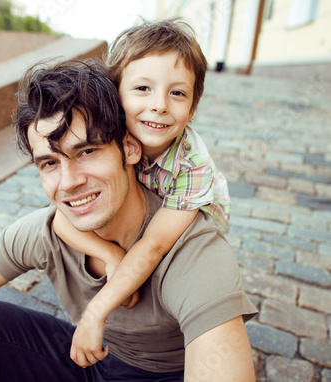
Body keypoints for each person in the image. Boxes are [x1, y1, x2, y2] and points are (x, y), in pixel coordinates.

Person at [0, 58, 257, 381]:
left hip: (160, 375)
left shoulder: (194, 251)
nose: (69, 182)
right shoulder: (48, 230)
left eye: (87, 151)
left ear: (128, 147)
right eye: (50, 162)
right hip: (90, 362)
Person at [53, 19, 233, 363]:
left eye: (177, 93)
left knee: (162, 267)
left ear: (192, 108)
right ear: (116, 94)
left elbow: (154, 245)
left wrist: (95, 312)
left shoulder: (193, 167)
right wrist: (110, 256)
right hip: (140, 215)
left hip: (185, 225)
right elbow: (61, 219)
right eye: (143, 89)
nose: (160, 105)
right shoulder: (108, 137)